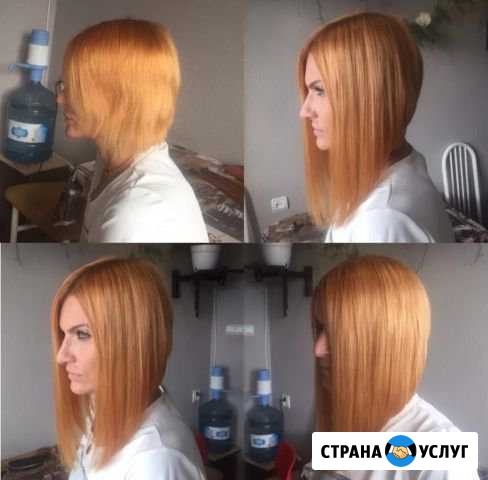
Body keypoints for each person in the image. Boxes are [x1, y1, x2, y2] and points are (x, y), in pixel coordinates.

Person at [307, 255, 479, 480]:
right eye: (320, 328)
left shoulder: (442, 461)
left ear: (385, 343)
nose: (318, 349)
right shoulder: (340, 417)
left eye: (335, 332)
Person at [298, 12, 454, 243]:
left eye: (320, 90)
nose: (305, 111)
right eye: (308, 90)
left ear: (370, 98)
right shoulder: (404, 165)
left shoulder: (381, 222)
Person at [51, 257, 206, 479]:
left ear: (131, 343)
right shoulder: (104, 409)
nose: (61, 356)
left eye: (82, 334)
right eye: (64, 333)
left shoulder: (155, 462)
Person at [56, 19, 208, 242]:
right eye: (64, 86)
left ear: (120, 100)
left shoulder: (135, 217)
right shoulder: (109, 156)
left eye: (75, 89)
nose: (60, 99)